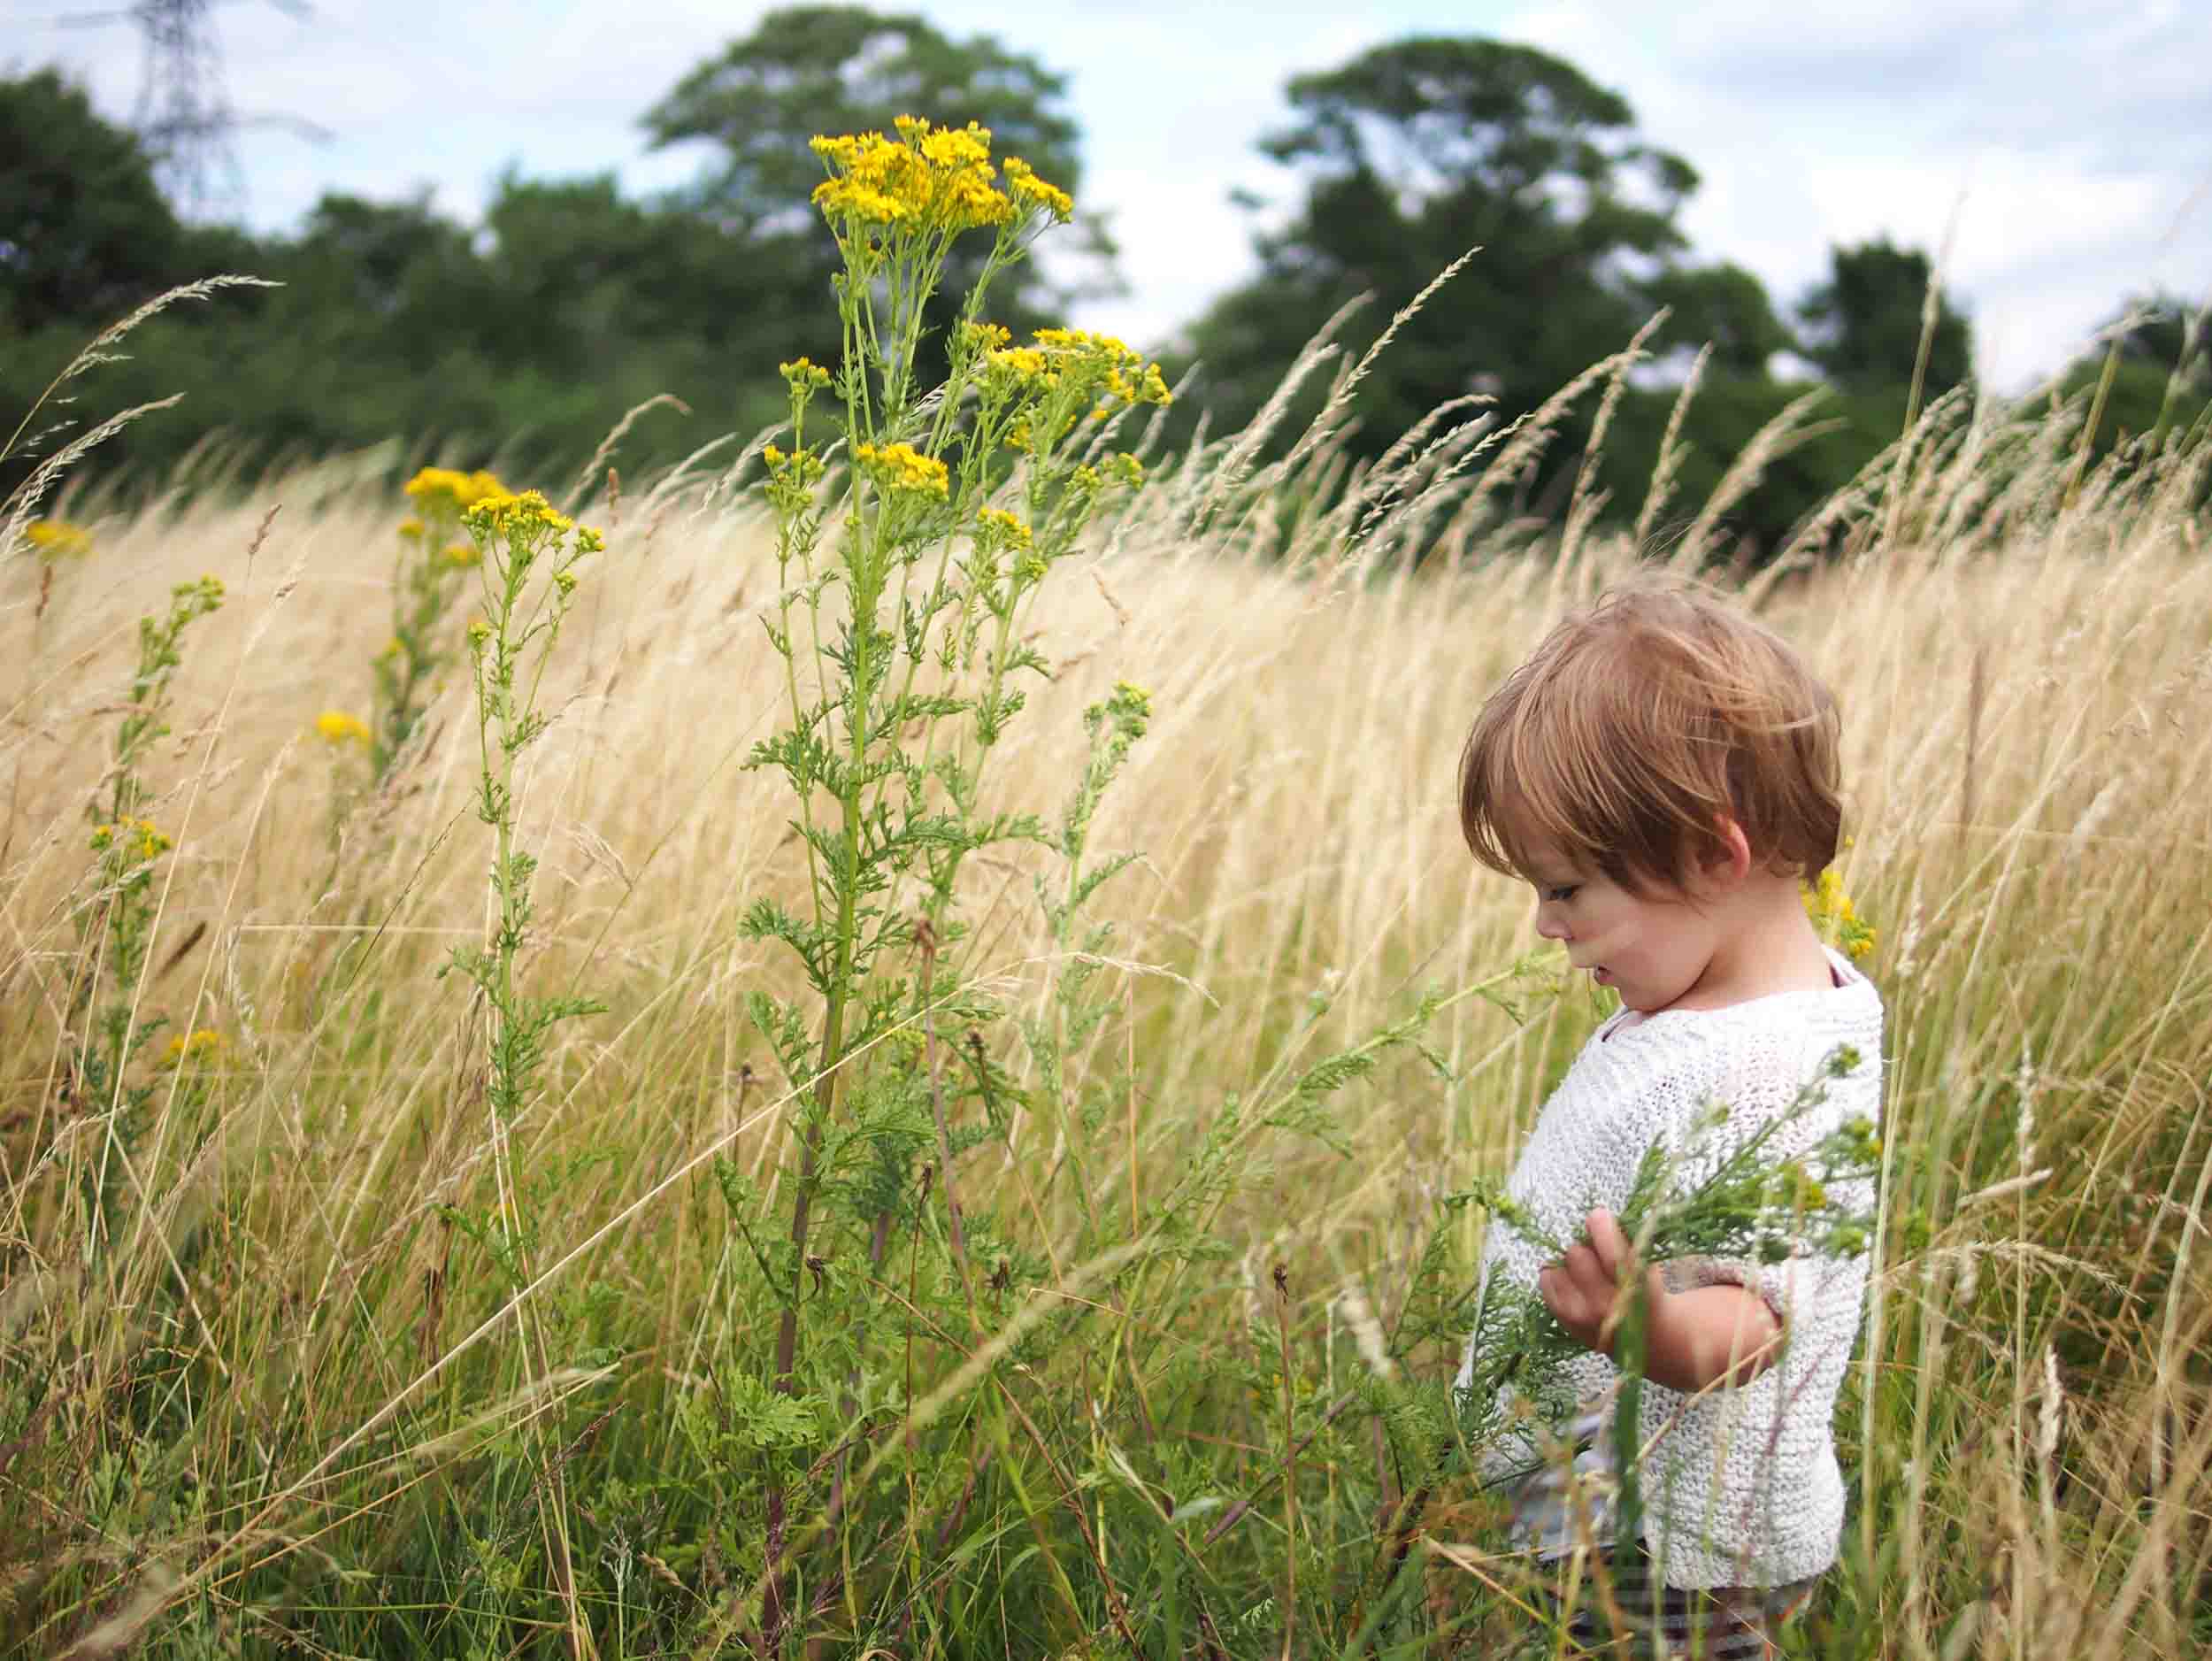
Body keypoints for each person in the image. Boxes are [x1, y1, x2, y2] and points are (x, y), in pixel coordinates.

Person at [1450, 581, 1885, 1657]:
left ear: (1711, 856)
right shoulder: (1703, 1001)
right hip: (1609, 1493)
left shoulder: (1773, 1065)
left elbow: (1760, 1320)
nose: (1545, 925)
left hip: (1675, 1534)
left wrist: (1633, 1327)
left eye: (1566, 889)